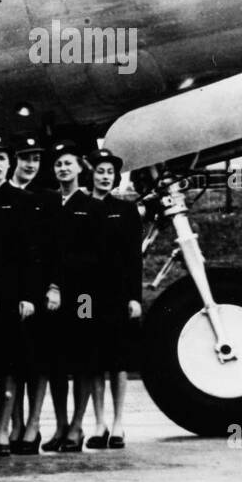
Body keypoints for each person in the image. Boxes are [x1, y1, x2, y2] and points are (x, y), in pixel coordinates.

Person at [0, 133, 36, 455]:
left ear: (10, 163)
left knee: (11, 366)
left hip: (13, 292)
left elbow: (29, 252)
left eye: (1, 158)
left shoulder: (22, 199)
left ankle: (3, 430)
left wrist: (27, 294)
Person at [41, 141, 101, 453]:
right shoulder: (50, 203)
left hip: (84, 295)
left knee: (83, 359)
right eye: (58, 164)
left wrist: (61, 283)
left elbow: (93, 254)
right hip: (54, 294)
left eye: (68, 163)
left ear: (80, 167)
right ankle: (61, 425)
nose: (63, 169)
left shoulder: (91, 205)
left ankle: (77, 426)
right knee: (55, 361)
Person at [84, 148, 142, 450]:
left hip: (117, 293)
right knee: (94, 360)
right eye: (100, 171)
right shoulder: (81, 207)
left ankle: (119, 423)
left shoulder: (126, 210)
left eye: (109, 172)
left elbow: (134, 258)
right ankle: (99, 423)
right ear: (91, 174)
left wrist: (134, 297)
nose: (105, 177)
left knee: (117, 361)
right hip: (87, 295)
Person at [8, 133, 55, 454]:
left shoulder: (47, 198)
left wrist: (53, 286)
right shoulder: (0, 195)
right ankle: (15, 423)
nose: (30, 164)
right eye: (25, 158)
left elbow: (55, 247)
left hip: (39, 288)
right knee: (12, 362)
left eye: (36, 159)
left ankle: (33, 425)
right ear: (15, 160)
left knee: (38, 362)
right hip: (10, 288)